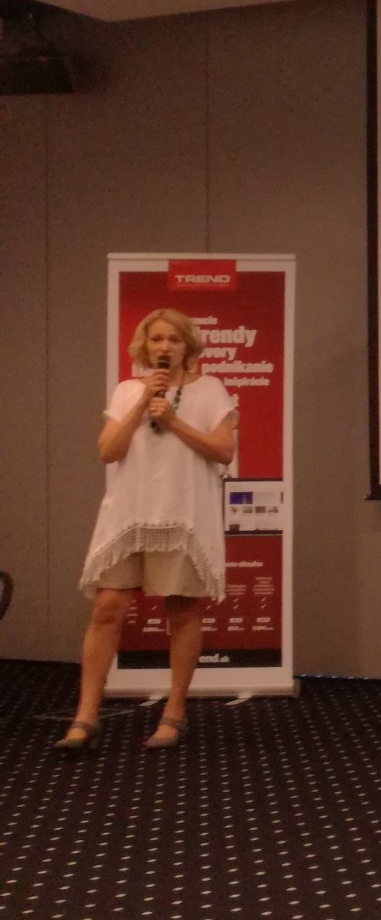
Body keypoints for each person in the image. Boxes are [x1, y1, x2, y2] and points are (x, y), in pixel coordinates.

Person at [59, 309, 237, 754]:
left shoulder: (210, 390)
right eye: (156, 339)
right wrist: (142, 403)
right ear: (145, 346)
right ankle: (86, 715)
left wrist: (173, 420)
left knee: (182, 611)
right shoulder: (127, 391)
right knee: (107, 608)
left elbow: (224, 451)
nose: (164, 347)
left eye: (173, 339)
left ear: (187, 346)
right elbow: (108, 451)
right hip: (130, 516)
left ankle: (173, 714)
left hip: (183, 516)